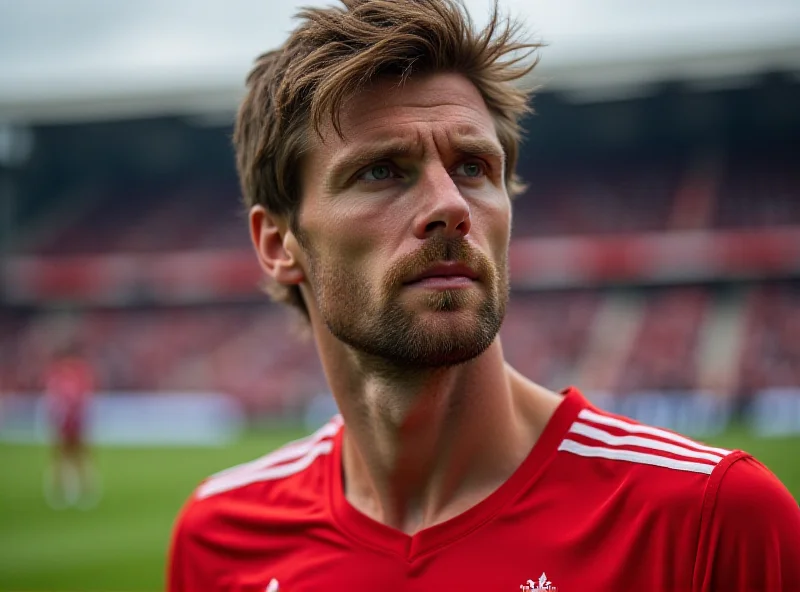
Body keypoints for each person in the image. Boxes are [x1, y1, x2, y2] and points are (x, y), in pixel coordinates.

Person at [168, 1, 800, 590]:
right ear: (279, 244)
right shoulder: (219, 539)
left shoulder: (710, 521)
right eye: (380, 171)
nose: (450, 206)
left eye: (472, 166)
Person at [43, 343, 99, 509]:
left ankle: (83, 490)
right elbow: (54, 400)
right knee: (62, 457)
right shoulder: (58, 374)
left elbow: (84, 399)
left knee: (79, 457)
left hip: (76, 421)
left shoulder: (79, 374)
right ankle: (63, 491)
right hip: (64, 422)